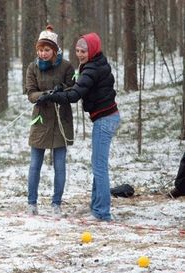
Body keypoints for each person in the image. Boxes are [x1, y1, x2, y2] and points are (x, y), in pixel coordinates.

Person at [37, 32, 120, 222]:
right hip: (104, 118)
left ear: (93, 50)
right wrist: (60, 90)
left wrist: (52, 96)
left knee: (99, 167)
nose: (80, 54)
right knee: (97, 164)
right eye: (77, 50)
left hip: (105, 120)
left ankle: (102, 212)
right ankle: (96, 206)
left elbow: (75, 95)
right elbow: (78, 88)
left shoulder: (92, 68)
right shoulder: (93, 64)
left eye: (84, 51)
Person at [25, 25, 75, 216]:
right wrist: (42, 95)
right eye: (40, 50)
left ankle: (56, 203)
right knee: (35, 163)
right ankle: (32, 202)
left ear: (54, 50)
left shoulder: (67, 66)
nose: (43, 53)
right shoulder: (32, 67)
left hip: (61, 120)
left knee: (60, 164)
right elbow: (30, 93)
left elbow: (72, 88)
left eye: (47, 50)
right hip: (40, 120)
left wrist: (60, 91)